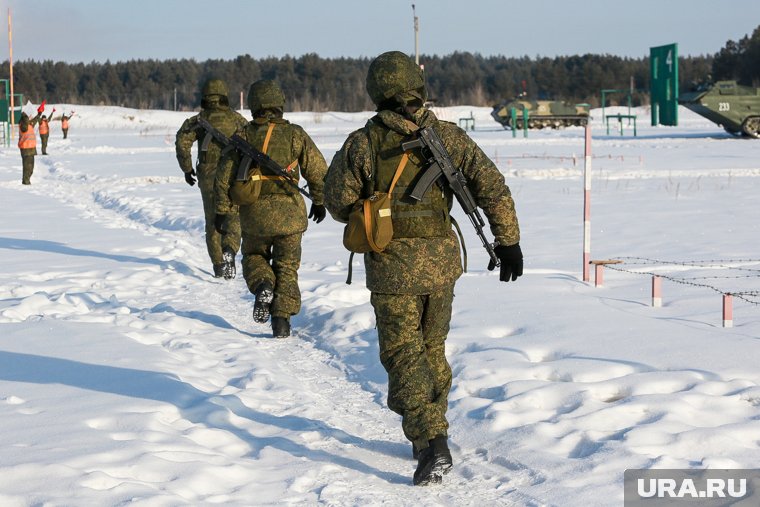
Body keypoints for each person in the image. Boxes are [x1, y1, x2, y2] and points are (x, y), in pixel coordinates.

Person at [324, 51, 523, 486]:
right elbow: (492, 186)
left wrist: (370, 206)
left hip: (393, 266)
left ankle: (431, 439)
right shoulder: (448, 136)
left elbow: (335, 199)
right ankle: (431, 432)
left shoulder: (364, 142)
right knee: (431, 348)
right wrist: (508, 241)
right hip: (441, 265)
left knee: (403, 352)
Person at [214, 79, 328, 338]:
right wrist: (319, 201)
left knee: (254, 257)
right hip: (290, 215)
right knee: (287, 267)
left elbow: (223, 177)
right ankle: (282, 322)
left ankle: (263, 284)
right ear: (280, 104)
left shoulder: (242, 136)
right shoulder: (295, 134)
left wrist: (222, 211)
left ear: (254, 104)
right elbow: (318, 171)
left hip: (254, 216)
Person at [175, 78, 247, 279]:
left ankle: (218, 265)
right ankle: (230, 250)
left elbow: (182, 142)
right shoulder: (237, 120)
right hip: (233, 174)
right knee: (233, 217)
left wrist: (187, 168)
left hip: (207, 176)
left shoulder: (198, 120)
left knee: (213, 220)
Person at [18, 111, 41, 185]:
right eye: (28, 117)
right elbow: (25, 126)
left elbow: (34, 120)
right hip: (25, 149)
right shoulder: (23, 124)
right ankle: (25, 182)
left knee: (31, 168)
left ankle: (27, 180)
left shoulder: (29, 124)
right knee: (27, 167)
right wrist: (25, 118)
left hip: (31, 149)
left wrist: (39, 114)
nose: (30, 117)